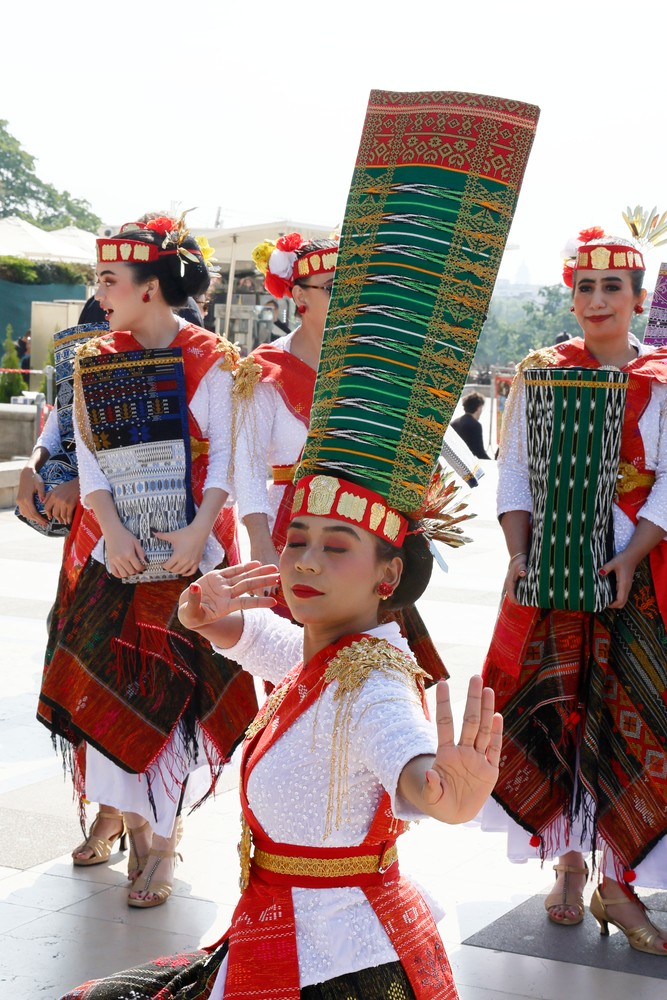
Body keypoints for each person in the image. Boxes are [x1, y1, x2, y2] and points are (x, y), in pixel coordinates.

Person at [37, 214, 258, 909]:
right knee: (112, 692)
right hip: (117, 554)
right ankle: (134, 830)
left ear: (150, 287)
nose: (99, 293)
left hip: (197, 547)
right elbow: (92, 463)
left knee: (173, 698)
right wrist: (112, 532)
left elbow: (227, 458)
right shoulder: (96, 358)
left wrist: (197, 535)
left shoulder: (213, 358)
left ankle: (164, 840)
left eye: (109, 280)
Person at [482, 228, 667, 954]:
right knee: (557, 716)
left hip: (635, 580)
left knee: (628, 726)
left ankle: (617, 882)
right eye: (585, 287)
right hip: (550, 577)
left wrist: (629, 557)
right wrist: (519, 554)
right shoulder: (542, 374)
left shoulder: (662, 380)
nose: (596, 300)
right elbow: (515, 475)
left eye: (611, 288)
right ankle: (565, 865)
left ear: (637, 299)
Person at [233, 233, 338, 571]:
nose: (346, 300)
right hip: (289, 529)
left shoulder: (368, 364)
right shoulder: (266, 367)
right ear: (299, 295)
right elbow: (247, 462)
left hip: (359, 527)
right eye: (332, 288)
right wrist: (260, 543)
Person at [450, 391, 491, 460]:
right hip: (466, 462)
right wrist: (493, 463)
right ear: (478, 408)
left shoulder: (454, 423)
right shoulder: (475, 425)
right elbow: (480, 453)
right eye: (481, 408)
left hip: (453, 460)